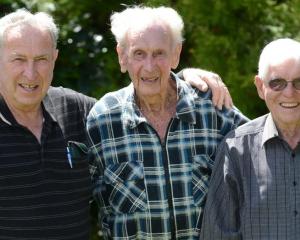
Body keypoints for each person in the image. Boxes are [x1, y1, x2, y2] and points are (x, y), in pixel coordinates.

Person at [0, 8, 233, 239]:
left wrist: (184, 79)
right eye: (18, 59)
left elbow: (258, 144)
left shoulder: (81, 113)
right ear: (122, 57)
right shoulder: (101, 118)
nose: (30, 73)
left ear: (54, 59)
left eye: (41, 59)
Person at [86, 6, 248, 240]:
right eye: (139, 53)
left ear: (176, 55)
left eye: (159, 53)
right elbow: (73, 196)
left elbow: (265, 149)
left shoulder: (212, 110)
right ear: (122, 57)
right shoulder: (102, 120)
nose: (149, 66)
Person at [200, 38, 300, 240]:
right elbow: (218, 235)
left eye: (299, 82)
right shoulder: (236, 149)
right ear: (260, 87)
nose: (289, 93)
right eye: (277, 83)